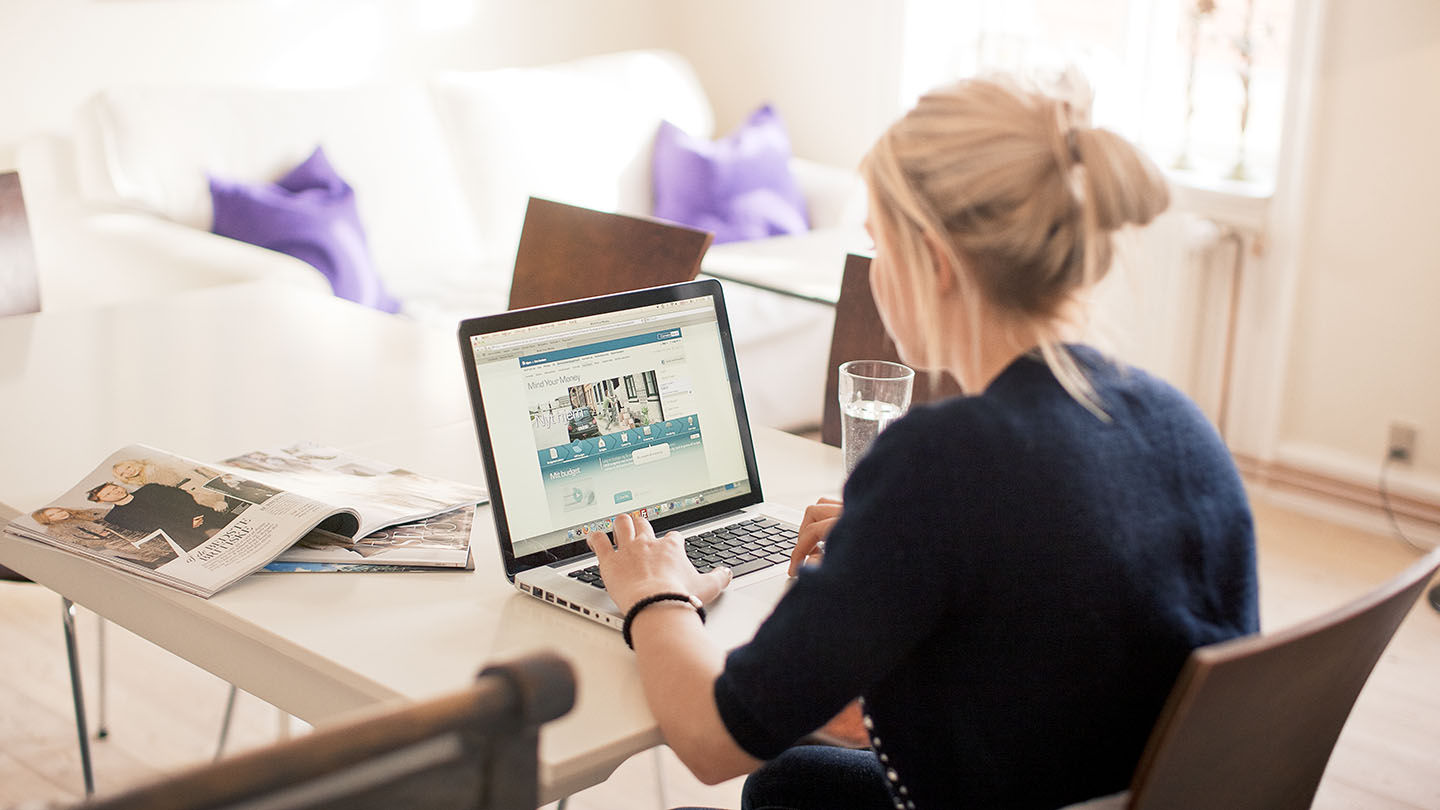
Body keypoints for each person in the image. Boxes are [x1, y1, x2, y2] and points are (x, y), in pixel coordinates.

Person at [583, 75, 1258, 810]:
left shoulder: (944, 460)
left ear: (934, 261)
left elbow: (713, 741)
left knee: (785, 782)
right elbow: (1073, 594)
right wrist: (908, 545)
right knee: (800, 781)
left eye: (877, 246)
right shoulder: (1178, 422)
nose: (873, 273)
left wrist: (655, 593)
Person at [88, 481, 233, 552]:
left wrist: (192, 515)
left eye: (114, 488)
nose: (116, 492)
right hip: (180, 533)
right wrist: (187, 523)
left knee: (232, 525)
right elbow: (151, 526)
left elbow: (181, 497)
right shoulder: (116, 517)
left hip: (197, 513)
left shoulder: (150, 489)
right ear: (102, 501)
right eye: (108, 494)